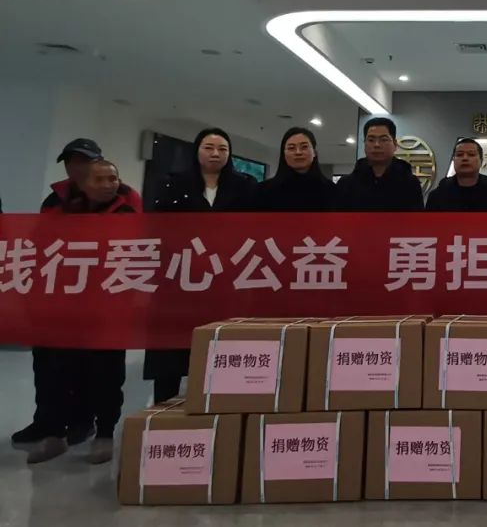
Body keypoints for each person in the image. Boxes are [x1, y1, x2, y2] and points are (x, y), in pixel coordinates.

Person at [30, 159, 140, 465]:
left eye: (112, 179)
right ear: (84, 183)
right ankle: (54, 435)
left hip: (107, 311)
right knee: (55, 374)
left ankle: (104, 434)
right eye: (99, 179)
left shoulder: (127, 214)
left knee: (105, 375)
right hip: (64, 309)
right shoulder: (63, 212)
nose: (107, 185)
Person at [144, 128, 257, 404]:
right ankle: (164, 413)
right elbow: (158, 226)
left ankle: (221, 408)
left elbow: (256, 229)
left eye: (222, 149)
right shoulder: (172, 183)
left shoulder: (246, 185)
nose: (215, 154)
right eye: (209, 147)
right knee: (172, 352)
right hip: (181, 279)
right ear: (196, 150)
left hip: (227, 279)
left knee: (222, 348)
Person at [11, 138, 103, 453]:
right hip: (52, 292)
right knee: (47, 361)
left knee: (83, 362)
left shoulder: (108, 197)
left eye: (83, 161)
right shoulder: (54, 199)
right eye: (71, 161)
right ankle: (47, 421)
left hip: (89, 294)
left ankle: (82, 421)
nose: (76, 167)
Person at [336, 117, 424, 212]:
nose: (377, 145)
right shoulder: (346, 184)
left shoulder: (410, 184)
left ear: (395, 144)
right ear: (364, 144)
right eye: (371, 140)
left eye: (384, 139)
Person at [254, 127, 337, 211]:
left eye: (304, 147)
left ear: (314, 153)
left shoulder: (332, 191)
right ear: (283, 154)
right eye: (291, 148)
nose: (298, 152)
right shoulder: (262, 191)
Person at [426, 138, 487, 212]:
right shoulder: (437, 195)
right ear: (454, 160)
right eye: (459, 155)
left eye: (471, 154)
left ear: (481, 161)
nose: (465, 158)